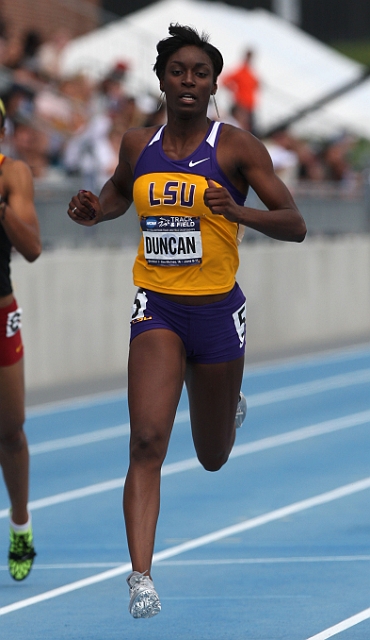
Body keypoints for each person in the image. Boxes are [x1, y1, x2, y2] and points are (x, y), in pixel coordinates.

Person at [68, 23, 306, 619]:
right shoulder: (136, 143)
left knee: (212, 454)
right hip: (159, 304)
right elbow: (122, 191)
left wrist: (239, 211)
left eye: (200, 73)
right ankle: (141, 577)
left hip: (217, 310)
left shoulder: (236, 148)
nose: (189, 82)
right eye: (179, 72)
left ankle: (229, 401)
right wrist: (96, 210)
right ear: (162, 81)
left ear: (213, 83)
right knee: (147, 439)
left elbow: (295, 222)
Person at [0, 98, 41, 580]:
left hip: (1, 309)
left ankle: (20, 523)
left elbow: (31, 248)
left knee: (10, 429)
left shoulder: (15, 176)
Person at [222, 49, 260, 135]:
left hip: (249, 106)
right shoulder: (240, 71)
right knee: (240, 128)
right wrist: (232, 90)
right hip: (241, 104)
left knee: (247, 130)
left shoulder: (251, 73)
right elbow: (225, 80)